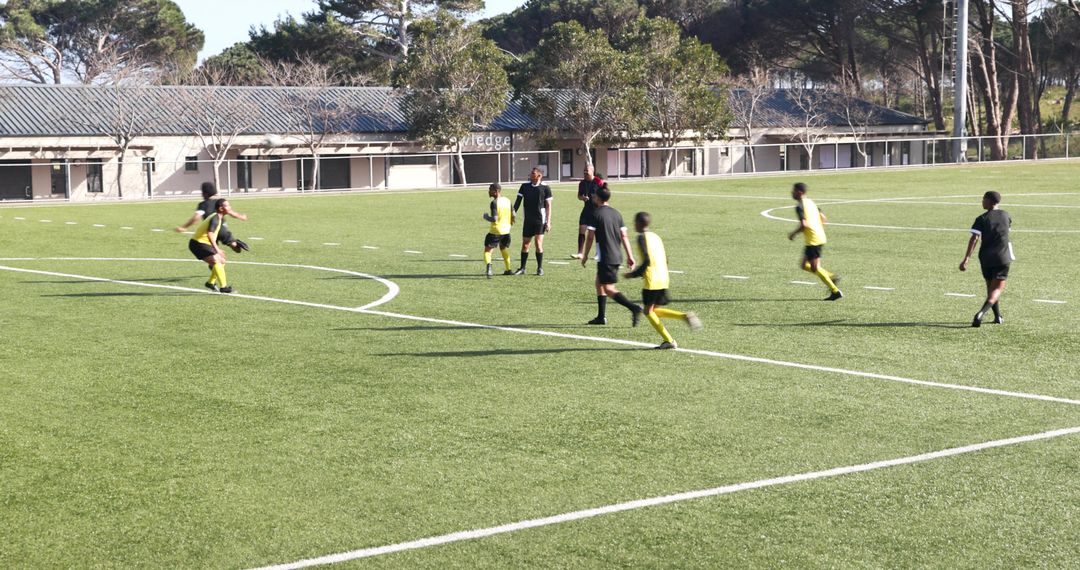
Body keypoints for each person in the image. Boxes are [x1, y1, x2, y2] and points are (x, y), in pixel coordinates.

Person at [624, 212, 702, 349]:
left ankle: (669, 340)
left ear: (639, 223)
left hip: (652, 279)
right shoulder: (656, 237)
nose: (634, 225)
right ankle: (685, 316)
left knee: (648, 312)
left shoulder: (641, 237)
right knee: (652, 310)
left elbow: (647, 259)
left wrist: (634, 274)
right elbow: (665, 258)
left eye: (635, 222)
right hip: (663, 276)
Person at [581, 183, 642, 325]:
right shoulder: (616, 213)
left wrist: (585, 255)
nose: (593, 197)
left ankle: (633, 308)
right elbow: (624, 236)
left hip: (606, 257)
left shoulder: (595, 214)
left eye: (594, 195)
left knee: (608, 288)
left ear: (598, 198)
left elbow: (590, 237)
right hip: (616, 255)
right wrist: (630, 256)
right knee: (599, 282)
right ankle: (601, 317)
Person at [960, 191, 1013, 327]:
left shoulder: (981, 218)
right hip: (1002, 257)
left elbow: (974, 239)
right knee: (996, 289)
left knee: (990, 287)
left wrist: (966, 259)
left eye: (984, 199)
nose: (982, 202)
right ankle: (980, 314)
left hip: (986, 258)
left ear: (990, 201)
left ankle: (997, 316)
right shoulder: (1006, 216)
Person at [787, 182, 842, 301]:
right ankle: (831, 276)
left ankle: (835, 291)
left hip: (813, 240)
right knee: (804, 265)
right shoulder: (811, 202)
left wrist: (793, 234)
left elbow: (804, 224)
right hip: (818, 236)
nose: (792, 193)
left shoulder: (800, 206)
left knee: (815, 268)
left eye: (794, 191)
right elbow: (823, 217)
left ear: (800, 192)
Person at [175, 182, 249, 253]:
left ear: (205, 193)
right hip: (223, 229)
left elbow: (195, 218)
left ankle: (215, 260)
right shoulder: (219, 202)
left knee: (212, 251)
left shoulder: (203, 204)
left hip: (212, 229)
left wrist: (184, 227)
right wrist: (242, 217)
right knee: (235, 248)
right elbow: (231, 212)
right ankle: (236, 244)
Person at [188, 199, 242, 293]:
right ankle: (223, 287)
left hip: (203, 243)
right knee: (216, 260)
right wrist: (217, 249)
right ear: (221, 208)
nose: (230, 207)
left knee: (222, 261)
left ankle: (210, 283)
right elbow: (210, 234)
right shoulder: (216, 218)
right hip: (197, 244)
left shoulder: (218, 217)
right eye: (227, 206)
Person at [512, 167, 553, 276]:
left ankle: (539, 268)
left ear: (539, 176)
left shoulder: (545, 188)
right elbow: (517, 202)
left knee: (538, 244)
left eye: (533, 173)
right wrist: (513, 213)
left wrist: (548, 222)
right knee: (525, 244)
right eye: (531, 172)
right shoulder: (524, 186)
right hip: (528, 220)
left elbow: (548, 206)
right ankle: (522, 268)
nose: (531, 174)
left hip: (540, 221)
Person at [482, 183, 515, 279]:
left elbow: (495, 219)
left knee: (487, 250)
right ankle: (508, 269)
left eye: (490, 190)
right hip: (506, 231)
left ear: (496, 191)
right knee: (503, 248)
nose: (489, 191)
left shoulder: (494, 203)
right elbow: (514, 214)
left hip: (496, 230)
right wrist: (511, 221)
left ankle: (489, 268)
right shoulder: (508, 200)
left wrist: (486, 217)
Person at [572, 164, 604, 260]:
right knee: (581, 229)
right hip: (586, 209)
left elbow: (604, 194)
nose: (585, 172)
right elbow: (579, 196)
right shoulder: (582, 183)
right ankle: (580, 253)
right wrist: (583, 198)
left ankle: (598, 253)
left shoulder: (598, 181)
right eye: (584, 170)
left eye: (587, 170)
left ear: (592, 170)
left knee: (596, 232)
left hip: (597, 210)